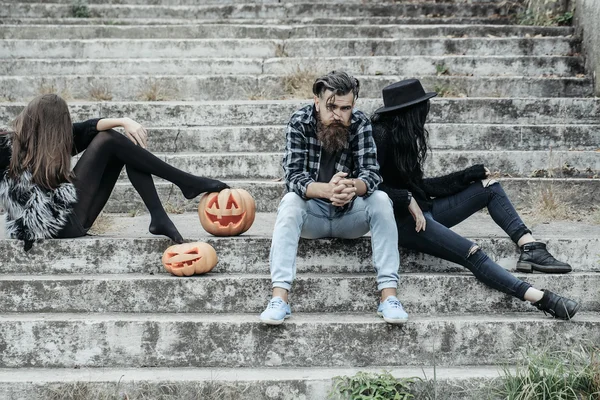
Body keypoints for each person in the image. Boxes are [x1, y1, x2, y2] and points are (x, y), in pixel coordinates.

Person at [370, 79, 579, 320]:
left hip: (426, 211)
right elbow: (368, 184)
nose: (426, 111)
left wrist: (466, 176)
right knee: (473, 253)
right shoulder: (380, 135)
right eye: (423, 106)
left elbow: (421, 187)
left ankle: (530, 248)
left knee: (489, 187)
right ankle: (542, 299)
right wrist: (405, 197)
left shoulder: (404, 136)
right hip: (405, 224)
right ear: (411, 111)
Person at [259, 71, 408, 325]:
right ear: (317, 102)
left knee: (381, 200)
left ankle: (389, 297)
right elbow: (293, 177)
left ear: (353, 105)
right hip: (312, 216)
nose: (338, 114)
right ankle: (279, 298)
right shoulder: (299, 122)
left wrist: (351, 187)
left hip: (349, 216)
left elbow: (371, 174)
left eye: (345, 107)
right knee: (290, 203)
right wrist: (327, 190)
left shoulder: (359, 123)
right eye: (331, 107)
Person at [0, 94, 228, 250]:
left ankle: (161, 215)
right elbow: (93, 132)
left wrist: (124, 121)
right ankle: (185, 184)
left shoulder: (48, 141)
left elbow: (88, 127)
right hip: (58, 225)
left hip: (69, 223)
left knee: (120, 147)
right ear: (57, 126)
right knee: (110, 141)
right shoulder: (4, 147)